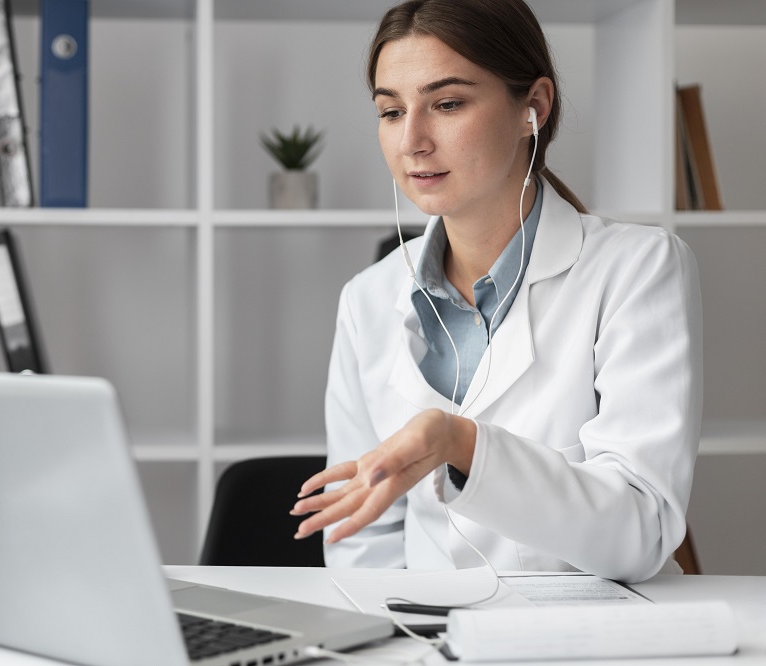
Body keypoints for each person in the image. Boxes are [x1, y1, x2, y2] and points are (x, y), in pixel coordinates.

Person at [289, 0, 702, 584]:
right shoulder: (367, 299)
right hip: (429, 638)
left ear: (532, 107)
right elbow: (363, 539)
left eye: (448, 104)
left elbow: (640, 531)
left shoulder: (637, 269)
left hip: (591, 638)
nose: (412, 141)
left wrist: (463, 445)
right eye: (390, 111)